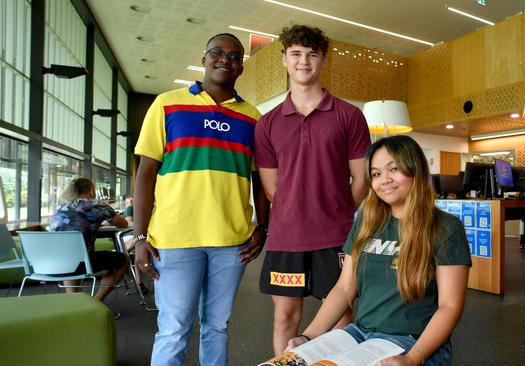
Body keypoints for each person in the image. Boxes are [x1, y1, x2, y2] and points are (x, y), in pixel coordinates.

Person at [133, 32, 270, 366]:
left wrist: (263, 227)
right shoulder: (167, 104)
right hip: (176, 237)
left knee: (217, 327)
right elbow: (146, 172)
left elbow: (259, 179)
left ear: (241, 67)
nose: (225, 59)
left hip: (231, 241)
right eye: (217, 52)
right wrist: (139, 236)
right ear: (204, 58)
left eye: (234, 56)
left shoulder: (253, 118)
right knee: (174, 329)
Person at [286, 135, 472, 366]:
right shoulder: (367, 221)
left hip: (411, 342)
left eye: (393, 169)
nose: (384, 180)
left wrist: (413, 358)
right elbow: (344, 288)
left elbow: (450, 307)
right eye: (376, 174)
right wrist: (308, 336)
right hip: (359, 335)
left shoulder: (446, 228)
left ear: (415, 170)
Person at [254, 24, 371, 355]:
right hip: (286, 239)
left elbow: (361, 179)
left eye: (311, 54)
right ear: (284, 60)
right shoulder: (268, 123)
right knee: (285, 318)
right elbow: (272, 188)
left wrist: (335, 210)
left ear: (323, 61)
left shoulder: (349, 116)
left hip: (335, 238)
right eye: (296, 54)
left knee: (341, 318)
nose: (303, 61)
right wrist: (301, 210)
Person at [50, 178, 129, 301]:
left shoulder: (61, 207)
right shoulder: (98, 205)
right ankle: (96, 301)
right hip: (82, 262)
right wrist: (105, 220)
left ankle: (74, 302)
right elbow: (123, 224)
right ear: (92, 189)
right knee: (124, 259)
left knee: (71, 255)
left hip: (53, 261)